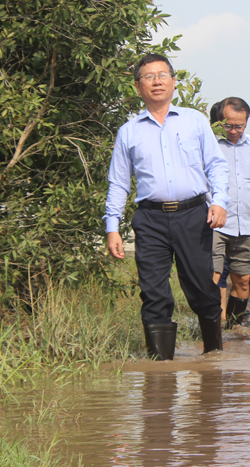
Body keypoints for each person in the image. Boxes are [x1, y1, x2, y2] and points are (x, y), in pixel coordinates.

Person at [104, 53, 230, 360]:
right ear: (138, 87)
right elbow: (119, 182)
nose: (156, 81)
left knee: (202, 288)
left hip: (194, 216)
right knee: (154, 293)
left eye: (162, 75)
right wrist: (112, 227)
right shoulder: (129, 132)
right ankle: (161, 371)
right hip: (150, 219)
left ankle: (213, 357)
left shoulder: (195, 121)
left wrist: (220, 202)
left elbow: (216, 165)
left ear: (173, 82)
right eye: (148, 77)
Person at [211, 97, 250, 328]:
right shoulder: (208, 144)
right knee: (214, 276)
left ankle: (233, 327)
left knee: (244, 279)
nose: (233, 131)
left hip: (246, 223)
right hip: (214, 222)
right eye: (228, 125)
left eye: (239, 126)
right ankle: (215, 328)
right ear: (219, 121)